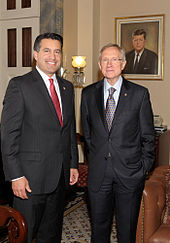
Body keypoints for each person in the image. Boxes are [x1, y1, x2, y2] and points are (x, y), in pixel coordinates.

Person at [1, 32, 79, 243]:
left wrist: (73, 163)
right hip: (29, 180)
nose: (52, 56)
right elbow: (8, 135)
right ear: (35, 54)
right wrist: (15, 176)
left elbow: (69, 130)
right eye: (46, 51)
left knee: (51, 234)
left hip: (59, 178)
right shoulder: (20, 86)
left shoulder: (67, 87)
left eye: (57, 51)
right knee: (25, 235)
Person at [81, 43, 155, 243]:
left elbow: (148, 136)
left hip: (130, 174)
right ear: (99, 64)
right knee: (98, 230)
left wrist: (143, 169)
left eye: (115, 59)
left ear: (123, 64)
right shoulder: (87, 94)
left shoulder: (140, 94)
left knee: (126, 232)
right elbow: (87, 135)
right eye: (105, 59)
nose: (110, 64)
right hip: (99, 174)